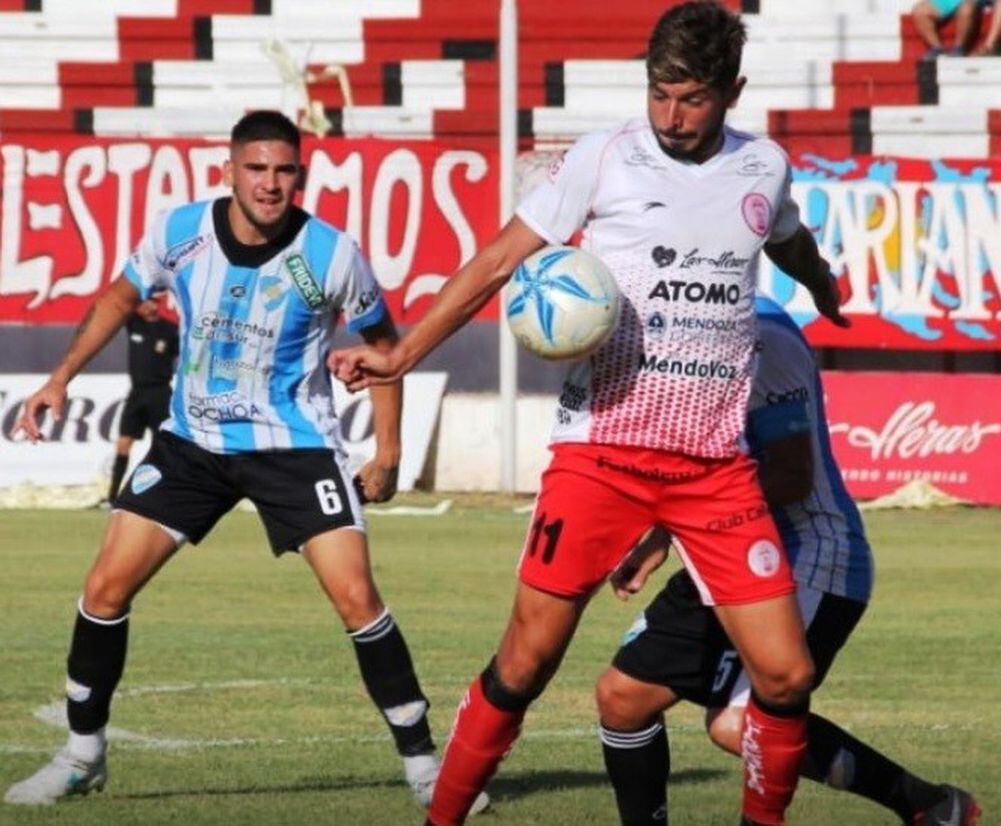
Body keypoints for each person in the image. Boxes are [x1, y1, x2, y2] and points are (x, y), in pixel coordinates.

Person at [332, 4, 850, 824]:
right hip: (599, 457)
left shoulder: (763, 168)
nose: (671, 117)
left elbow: (784, 239)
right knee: (524, 664)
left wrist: (818, 282)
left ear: (732, 93)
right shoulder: (603, 159)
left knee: (786, 676)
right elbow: (500, 258)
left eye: (691, 100)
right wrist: (400, 355)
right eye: (659, 94)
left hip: (714, 471)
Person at [5, 110, 488, 816]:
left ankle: (425, 768)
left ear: (300, 174)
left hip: (295, 449)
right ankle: (82, 756)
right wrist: (60, 377)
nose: (270, 183)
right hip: (192, 444)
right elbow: (120, 293)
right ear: (228, 170)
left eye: (284, 170)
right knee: (104, 588)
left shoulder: (329, 255)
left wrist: (386, 454)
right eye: (256, 168)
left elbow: (386, 349)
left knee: (357, 599)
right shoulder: (181, 232)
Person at [596, 295, 981, 826]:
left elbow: (791, 476)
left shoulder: (763, 337)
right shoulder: (668, 323)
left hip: (809, 553)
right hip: (723, 547)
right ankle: (932, 806)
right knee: (623, 698)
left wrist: (676, 523)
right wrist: (661, 535)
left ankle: (926, 805)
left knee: (736, 725)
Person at [99, 297, 178, 507]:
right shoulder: (134, 324)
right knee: (124, 443)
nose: (144, 305)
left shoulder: (169, 330)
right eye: (141, 302)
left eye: (148, 301)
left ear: (156, 304)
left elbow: (185, 356)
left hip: (159, 392)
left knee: (161, 445)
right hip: (137, 393)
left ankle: (161, 495)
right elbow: (121, 303)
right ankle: (113, 496)